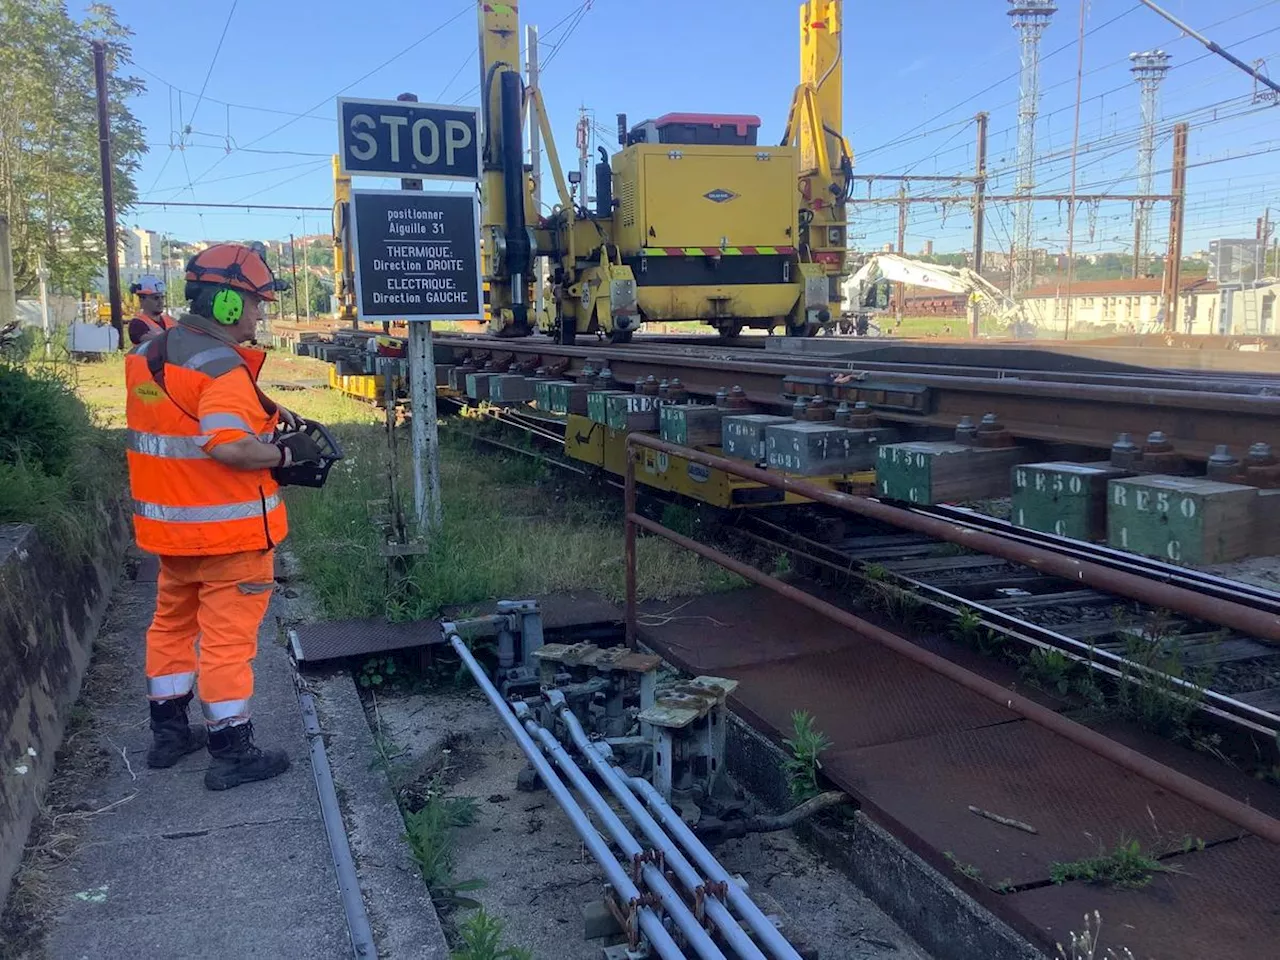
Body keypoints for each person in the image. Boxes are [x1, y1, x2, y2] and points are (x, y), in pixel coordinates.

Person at [125, 242, 322, 791]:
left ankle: (168, 733)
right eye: (256, 303)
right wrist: (284, 453)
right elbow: (228, 445)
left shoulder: (149, 356)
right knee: (226, 645)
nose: (261, 314)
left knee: (170, 626)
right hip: (229, 536)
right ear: (230, 306)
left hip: (171, 532)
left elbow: (178, 423)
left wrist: (270, 411)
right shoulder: (222, 368)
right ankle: (232, 750)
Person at [127, 274, 174, 345]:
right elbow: (154, 343)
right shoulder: (137, 324)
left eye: (162, 297)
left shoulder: (170, 320)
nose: (161, 301)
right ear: (142, 300)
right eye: (156, 298)